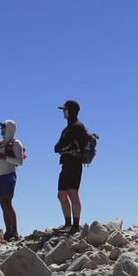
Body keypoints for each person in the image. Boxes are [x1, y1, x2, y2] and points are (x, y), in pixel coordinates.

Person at [54, 100, 87, 234]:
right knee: (61, 194)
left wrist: (65, 145)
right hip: (66, 163)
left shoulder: (77, 126)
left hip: (75, 163)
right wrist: (64, 145)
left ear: (71, 111)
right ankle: (68, 223)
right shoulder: (67, 129)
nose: (63, 111)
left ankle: (75, 225)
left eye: (65, 109)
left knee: (73, 193)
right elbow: (57, 148)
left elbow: (63, 144)